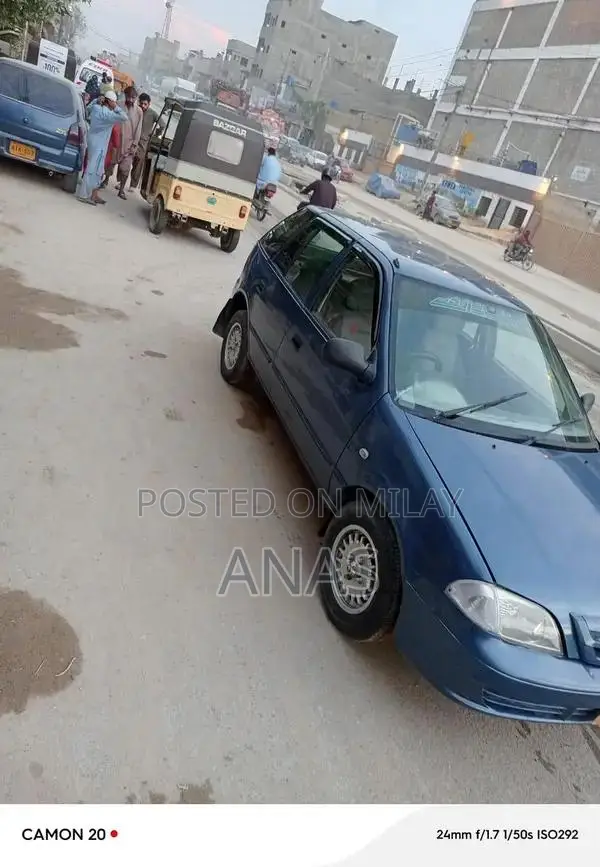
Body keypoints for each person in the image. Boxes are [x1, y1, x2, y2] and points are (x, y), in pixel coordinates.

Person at [77, 91, 128, 206]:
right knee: (92, 170)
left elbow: (88, 108)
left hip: (94, 141)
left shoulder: (95, 108)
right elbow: (124, 117)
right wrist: (116, 107)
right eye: (113, 102)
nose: (115, 104)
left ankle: (93, 195)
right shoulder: (108, 115)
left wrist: (96, 100)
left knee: (98, 170)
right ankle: (83, 195)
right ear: (110, 102)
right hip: (99, 144)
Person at [129, 93, 162, 192]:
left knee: (138, 163)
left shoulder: (153, 113)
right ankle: (120, 181)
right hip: (131, 139)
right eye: (141, 103)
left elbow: (162, 124)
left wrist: (155, 134)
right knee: (126, 160)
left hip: (143, 142)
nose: (143, 106)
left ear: (149, 104)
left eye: (145, 104)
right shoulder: (134, 110)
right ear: (138, 102)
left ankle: (133, 185)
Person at [115, 86, 143, 200]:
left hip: (129, 143)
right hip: (116, 141)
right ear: (125, 95)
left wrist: (134, 145)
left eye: (133, 98)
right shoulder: (118, 105)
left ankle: (121, 190)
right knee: (109, 164)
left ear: (136, 98)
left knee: (125, 168)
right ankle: (105, 180)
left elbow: (138, 129)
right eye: (129, 97)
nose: (131, 100)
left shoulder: (139, 111)